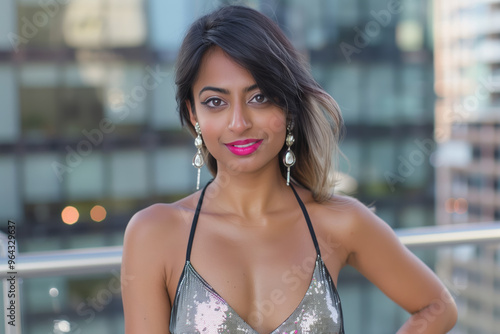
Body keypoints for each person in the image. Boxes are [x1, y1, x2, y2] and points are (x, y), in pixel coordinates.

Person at [121, 5, 457, 334]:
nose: (239, 123)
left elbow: (438, 307)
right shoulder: (154, 233)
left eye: (260, 97)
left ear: (289, 106)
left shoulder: (339, 222)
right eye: (215, 102)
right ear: (194, 115)